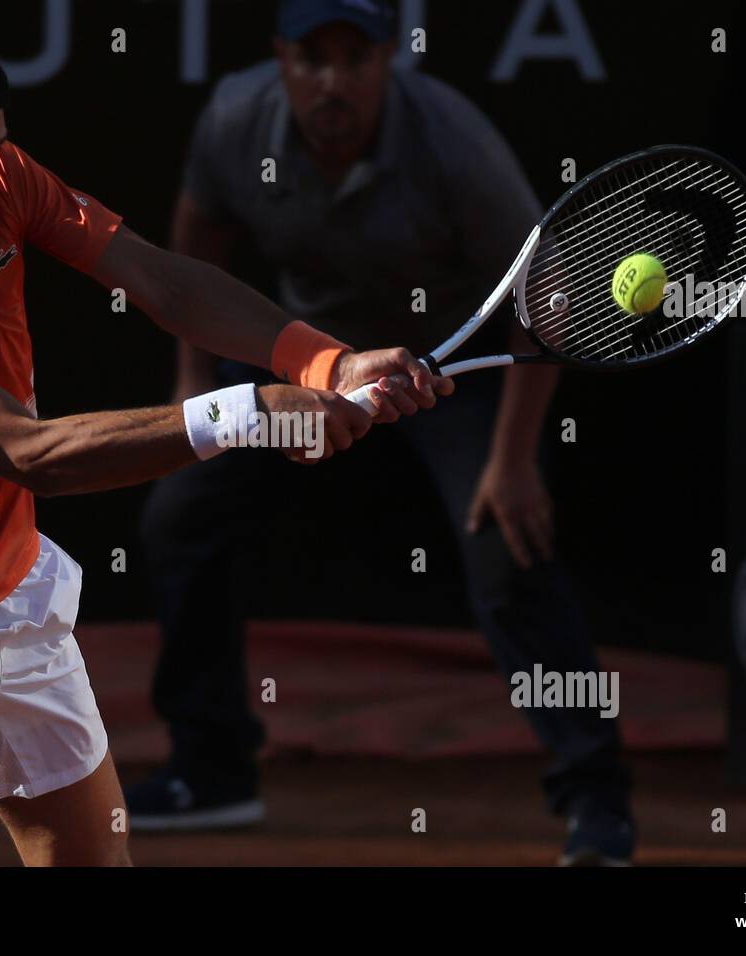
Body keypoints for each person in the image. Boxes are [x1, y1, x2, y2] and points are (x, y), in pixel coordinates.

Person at [0, 21, 448, 867]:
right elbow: (32, 454)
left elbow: (160, 280)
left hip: (13, 604)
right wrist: (254, 412)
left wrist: (325, 359)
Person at [128, 0, 635, 865]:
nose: (334, 80)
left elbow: (542, 303)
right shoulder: (234, 121)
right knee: (180, 515)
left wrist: (512, 462)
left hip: (450, 371)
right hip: (309, 364)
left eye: (355, 58)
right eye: (313, 58)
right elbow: (195, 237)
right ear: (281, 57)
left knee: (507, 545)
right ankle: (212, 773)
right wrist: (194, 387)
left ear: (388, 61)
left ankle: (597, 800)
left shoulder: (453, 143)